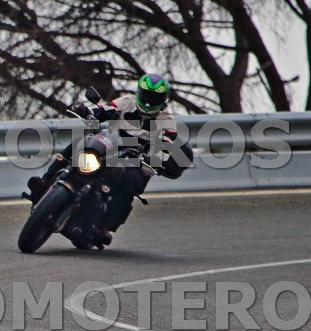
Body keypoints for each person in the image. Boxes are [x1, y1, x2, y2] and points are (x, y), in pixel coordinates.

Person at [26, 73, 192, 245]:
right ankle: (45, 182)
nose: (149, 102)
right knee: (80, 143)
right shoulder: (127, 101)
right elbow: (106, 110)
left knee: (130, 181)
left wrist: (157, 155)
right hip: (112, 143)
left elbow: (167, 143)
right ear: (139, 93)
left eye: (154, 98)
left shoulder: (166, 120)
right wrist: (89, 111)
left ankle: (104, 226)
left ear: (163, 100)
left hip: (139, 160)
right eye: (146, 95)